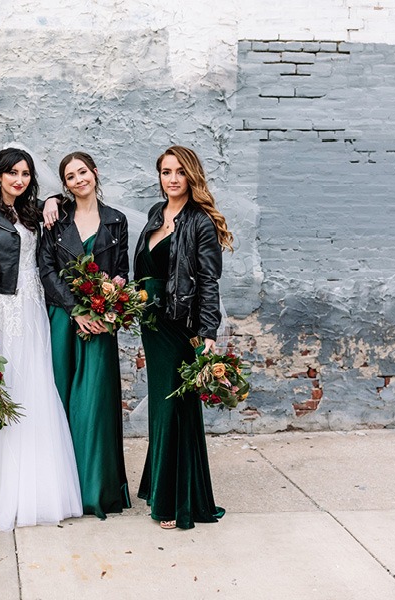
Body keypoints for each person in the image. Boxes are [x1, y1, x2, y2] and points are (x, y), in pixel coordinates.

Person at [0, 147, 83, 530]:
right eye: (12, 172)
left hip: (34, 309)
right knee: (8, 391)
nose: (19, 179)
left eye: (25, 173)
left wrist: (53, 199)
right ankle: (2, 489)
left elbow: (46, 256)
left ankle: (41, 486)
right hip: (3, 310)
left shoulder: (32, 211)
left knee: (37, 390)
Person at [133, 146, 233, 529]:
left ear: (191, 175)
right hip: (152, 323)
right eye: (164, 171)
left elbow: (209, 281)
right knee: (164, 405)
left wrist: (208, 331)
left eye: (178, 171)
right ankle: (164, 487)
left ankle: (176, 501)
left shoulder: (201, 222)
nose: (171, 178)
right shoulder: (156, 214)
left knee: (175, 406)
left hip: (180, 324)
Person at [38, 151, 132, 519]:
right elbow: (45, 270)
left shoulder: (116, 221)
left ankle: (97, 491)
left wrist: (109, 309)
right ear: (65, 185)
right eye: (70, 176)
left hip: (101, 321)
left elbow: (122, 270)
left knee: (96, 403)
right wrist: (75, 310)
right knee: (63, 400)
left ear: (94, 173)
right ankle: (64, 490)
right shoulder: (57, 220)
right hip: (64, 319)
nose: (79, 180)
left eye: (83, 172)